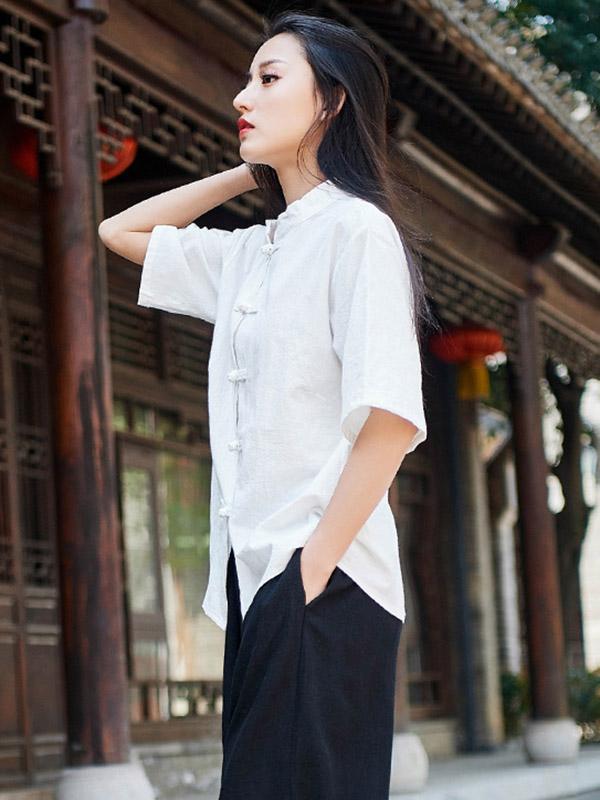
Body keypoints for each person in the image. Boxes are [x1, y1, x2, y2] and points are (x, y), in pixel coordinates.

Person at [98, 9, 434, 799]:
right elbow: (120, 230)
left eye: (269, 77)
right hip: (256, 578)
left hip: (322, 574)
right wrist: (248, 173)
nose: (242, 96)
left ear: (331, 102)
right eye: (247, 78)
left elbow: (388, 422)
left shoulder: (358, 231)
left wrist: (310, 569)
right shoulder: (253, 253)